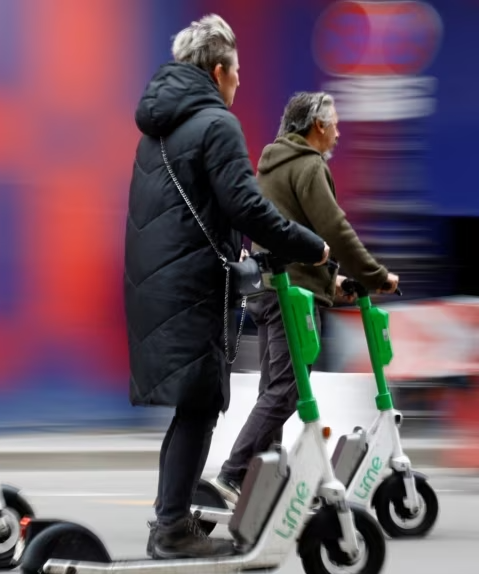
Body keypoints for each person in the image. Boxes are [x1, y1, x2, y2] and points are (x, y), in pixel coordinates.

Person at [125, 15, 330, 560]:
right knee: (200, 402)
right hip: (193, 284)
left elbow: (196, 208)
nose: (239, 82)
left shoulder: (160, 128)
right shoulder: (215, 122)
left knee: (193, 404)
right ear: (218, 71)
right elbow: (244, 203)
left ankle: (172, 520)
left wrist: (243, 247)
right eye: (237, 72)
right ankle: (170, 529)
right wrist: (310, 244)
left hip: (158, 282)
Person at [208, 91, 399, 505]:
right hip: (291, 297)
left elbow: (290, 232)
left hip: (269, 291)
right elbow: (334, 229)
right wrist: (376, 275)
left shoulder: (273, 165)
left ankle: (266, 475)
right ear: (318, 126)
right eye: (334, 124)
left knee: (273, 390)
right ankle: (234, 473)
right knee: (289, 390)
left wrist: (331, 283)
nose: (338, 132)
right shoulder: (309, 166)